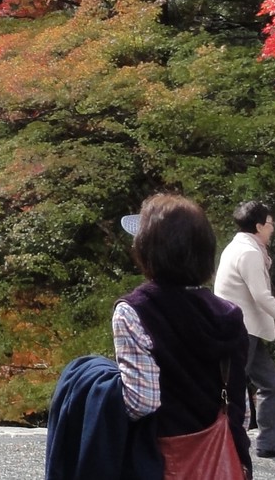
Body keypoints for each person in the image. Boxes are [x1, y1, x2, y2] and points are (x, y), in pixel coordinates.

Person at [115, 193, 251, 480]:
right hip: (227, 463)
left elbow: (141, 402)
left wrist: (91, 385)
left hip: (164, 463)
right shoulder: (229, 313)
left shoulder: (135, 311)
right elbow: (243, 409)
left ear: (147, 249)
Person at [213, 200, 275, 461]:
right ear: (258, 226)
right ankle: (221, 444)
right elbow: (262, 297)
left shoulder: (239, 247)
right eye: (270, 224)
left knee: (270, 384)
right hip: (242, 331)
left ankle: (270, 443)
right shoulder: (249, 253)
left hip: (244, 329)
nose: (272, 229)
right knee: (231, 390)